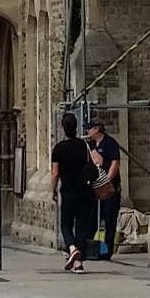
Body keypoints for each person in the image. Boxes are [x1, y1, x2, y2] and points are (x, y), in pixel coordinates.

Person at [51, 112, 97, 272]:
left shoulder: (59, 149)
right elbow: (97, 162)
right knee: (82, 227)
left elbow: (55, 173)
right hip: (86, 191)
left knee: (65, 224)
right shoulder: (84, 145)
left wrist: (53, 190)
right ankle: (79, 264)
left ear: (64, 129)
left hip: (69, 192)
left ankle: (72, 249)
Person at [86, 119, 122, 261]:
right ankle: (88, 247)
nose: (87, 132)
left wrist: (106, 181)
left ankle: (107, 251)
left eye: (89, 129)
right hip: (94, 188)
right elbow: (96, 162)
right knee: (92, 219)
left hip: (110, 188)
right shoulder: (91, 145)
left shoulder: (110, 143)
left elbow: (114, 163)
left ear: (97, 129)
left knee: (109, 220)